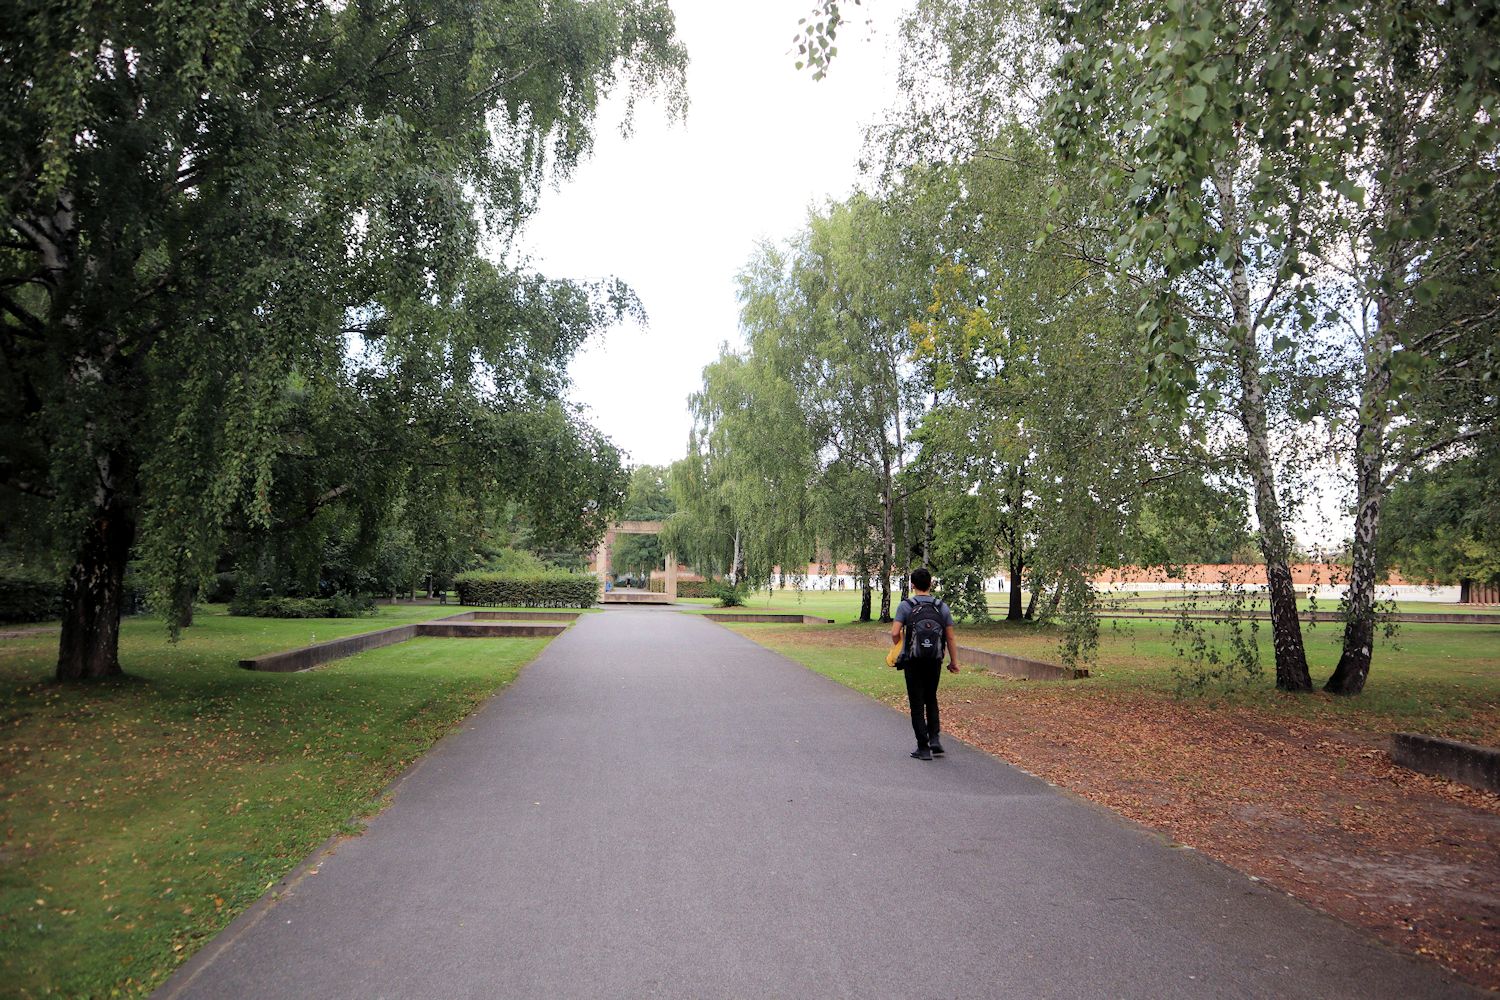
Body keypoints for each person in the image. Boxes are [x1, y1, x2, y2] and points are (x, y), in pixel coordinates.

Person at [890, 567, 959, 761]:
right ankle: (935, 739)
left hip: (913, 660)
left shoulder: (906, 606)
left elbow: (895, 633)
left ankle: (923, 747)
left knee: (917, 703)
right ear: (930, 584)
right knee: (931, 697)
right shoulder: (941, 606)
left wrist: (900, 648)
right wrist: (953, 661)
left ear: (913, 585)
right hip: (935, 660)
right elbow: (951, 638)